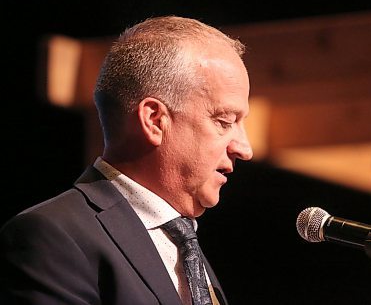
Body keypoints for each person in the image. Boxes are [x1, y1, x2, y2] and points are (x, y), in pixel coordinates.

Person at [0, 15, 253, 305]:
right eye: (224, 121)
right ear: (155, 120)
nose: (245, 149)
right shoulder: (52, 236)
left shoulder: (186, 248)